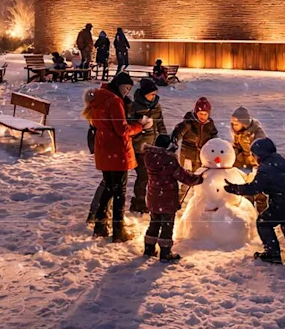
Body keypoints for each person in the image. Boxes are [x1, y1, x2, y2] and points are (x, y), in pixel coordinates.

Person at [83, 71, 148, 242]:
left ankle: (100, 225)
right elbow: (122, 130)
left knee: (109, 188)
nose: (127, 91)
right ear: (119, 85)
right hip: (117, 152)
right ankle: (119, 232)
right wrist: (140, 126)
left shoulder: (99, 98)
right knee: (119, 191)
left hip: (104, 149)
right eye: (126, 88)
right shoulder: (114, 101)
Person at [224, 137, 285, 265]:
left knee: (264, 222)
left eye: (254, 155)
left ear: (259, 154)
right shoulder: (279, 160)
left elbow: (254, 188)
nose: (254, 158)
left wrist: (234, 188)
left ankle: (272, 253)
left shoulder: (265, 168)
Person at [143, 134, 204, 263]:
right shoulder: (169, 160)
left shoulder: (150, 157)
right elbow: (183, 176)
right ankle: (165, 253)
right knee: (167, 225)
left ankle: (149, 248)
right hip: (167, 199)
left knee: (154, 222)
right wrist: (197, 178)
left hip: (154, 197)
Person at [128, 78, 167, 213]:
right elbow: (129, 128)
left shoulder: (157, 106)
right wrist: (142, 128)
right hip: (140, 148)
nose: (153, 96)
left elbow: (160, 123)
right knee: (143, 176)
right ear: (144, 94)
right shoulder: (134, 107)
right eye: (151, 94)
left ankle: (150, 200)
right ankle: (138, 201)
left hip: (154, 146)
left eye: (155, 93)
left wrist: (164, 136)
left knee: (153, 176)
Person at [170, 96, 218, 170]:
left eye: (205, 114)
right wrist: (174, 142)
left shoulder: (209, 125)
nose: (203, 117)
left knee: (202, 177)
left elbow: (215, 138)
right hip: (188, 157)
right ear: (196, 113)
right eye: (200, 114)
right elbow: (178, 132)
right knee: (188, 178)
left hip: (203, 157)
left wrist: (216, 147)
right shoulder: (188, 123)